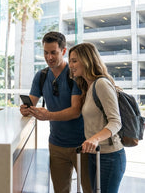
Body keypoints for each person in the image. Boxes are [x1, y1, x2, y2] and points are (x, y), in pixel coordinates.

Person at [20, 32, 92, 193]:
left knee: (90, 189)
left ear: (64, 51)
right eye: (46, 52)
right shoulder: (41, 76)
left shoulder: (75, 74)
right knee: (60, 190)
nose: (49, 57)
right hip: (56, 145)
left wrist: (49, 116)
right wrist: (25, 109)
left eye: (54, 52)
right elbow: (31, 102)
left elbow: (75, 111)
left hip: (82, 144)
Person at [68, 42, 126, 193]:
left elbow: (115, 121)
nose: (70, 65)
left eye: (74, 61)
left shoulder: (101, 84)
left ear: (87, 61)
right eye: (70, 61)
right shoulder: (88, 86)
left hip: (110, 156)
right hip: (95, 155)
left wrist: (94, 138)